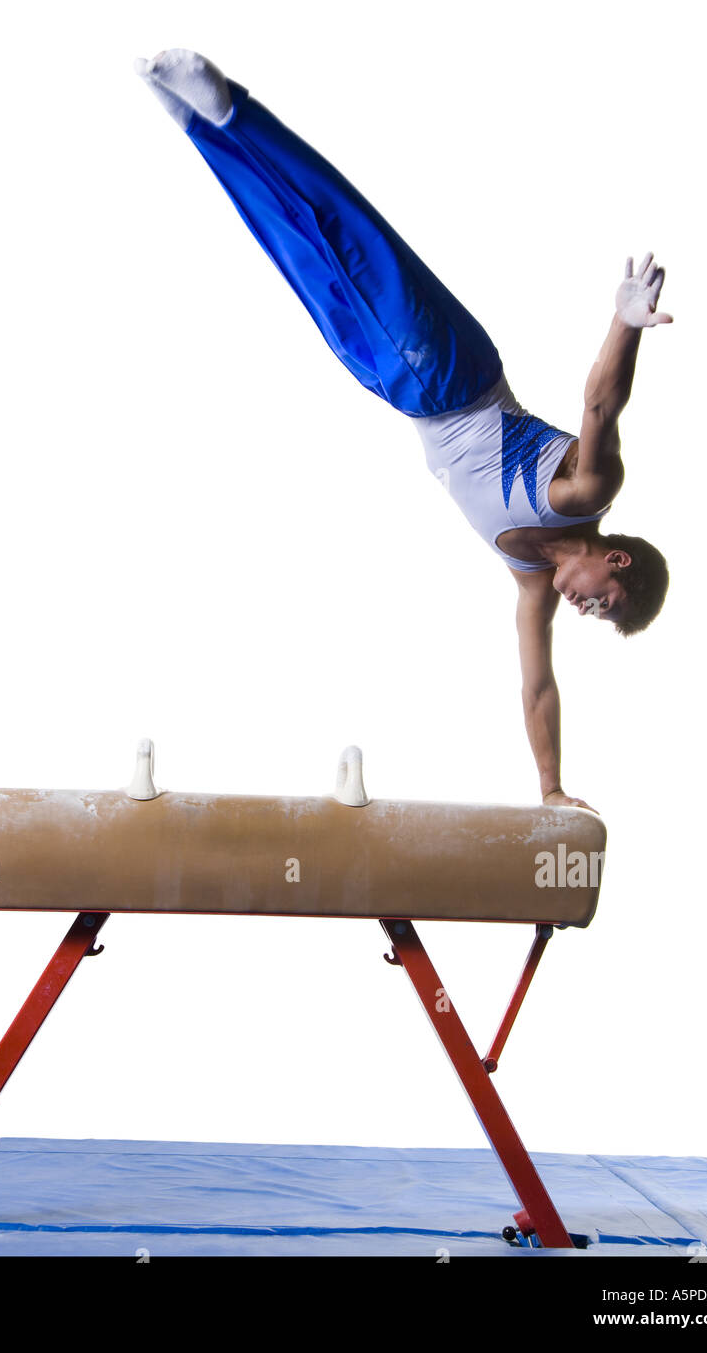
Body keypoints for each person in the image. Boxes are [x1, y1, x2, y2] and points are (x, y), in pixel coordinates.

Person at [136, 49, 673, 810]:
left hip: (405, 391)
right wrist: (625, 325)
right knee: (345, 234)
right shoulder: (587, 489)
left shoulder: (531, 585)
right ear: (614, 557)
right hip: (450, 368)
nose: (585, 609)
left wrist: (550, 790)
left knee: (301, 260)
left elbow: (538, 687)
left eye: (594, 614)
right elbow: (598, 407)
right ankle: (230, 109)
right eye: (605, 599)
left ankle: (197, 122)